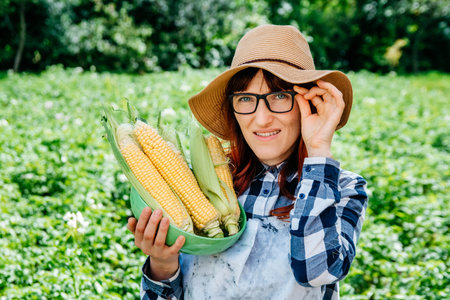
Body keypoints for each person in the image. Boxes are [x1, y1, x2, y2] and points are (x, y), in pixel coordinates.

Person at [127, 24, 368, 300]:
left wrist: (318, 148)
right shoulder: (199, 185)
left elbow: (316, 272)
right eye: (245, 99)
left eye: (279, 96)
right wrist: (162, 266)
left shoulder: (344, 189)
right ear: (233, 110)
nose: (261, 118)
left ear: (309, 103)